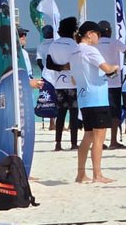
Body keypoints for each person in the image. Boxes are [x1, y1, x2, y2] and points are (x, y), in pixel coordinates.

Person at [71, 21, 118, 184]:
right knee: (99, 137)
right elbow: (106, 68)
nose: (99, 37)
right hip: (97, 98)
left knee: (88, 136)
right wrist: (115, 67)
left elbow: (73, 79)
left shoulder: (74, 52)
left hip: (84, 98)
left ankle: (81, 174)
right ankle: (97, 174)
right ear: (90, 34)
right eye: (98, 34)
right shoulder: (91, 50)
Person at [96, 21, 126, 150]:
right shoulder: (113, 42)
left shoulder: (94, 44)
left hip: (98, 83)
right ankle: (113, 141)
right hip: (113, 83)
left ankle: (100, 142)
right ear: (108, 31)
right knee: (114, 114)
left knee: (101, 113)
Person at [46, 18, 81, 151]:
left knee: (61, 113)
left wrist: (61, 67)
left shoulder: (54, 45)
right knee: (73, 113)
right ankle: (73, 143)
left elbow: (49, 64)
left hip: (59, 83)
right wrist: (68, 67)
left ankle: (58, 143)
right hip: (73, 83)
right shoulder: (74, 45)